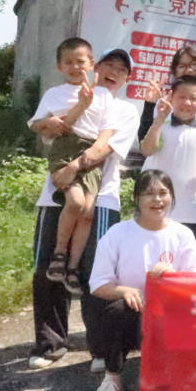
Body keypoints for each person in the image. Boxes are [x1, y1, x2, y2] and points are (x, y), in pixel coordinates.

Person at [29, 49, 139, 372]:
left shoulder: (125, 110)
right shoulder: (65, 96)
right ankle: (50, 343)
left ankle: (101, 348)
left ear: (127, 79)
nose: (113, 72)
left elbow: (103, 149)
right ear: (96, 67)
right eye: (109, 65)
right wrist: (51, 125)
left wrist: (73, 166)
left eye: (121, 69)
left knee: (96, 274)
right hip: (56, 194)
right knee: (47, 268)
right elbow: (47, 132)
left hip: (100, 199)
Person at [86, 170, 196, 391]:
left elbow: (195, 287)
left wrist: (173, 278)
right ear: (137, 198)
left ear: (172, 197)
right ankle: (112, 380)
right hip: (133, 317)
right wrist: (123, 291)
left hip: (168, 317)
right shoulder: (117, 233)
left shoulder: (183, 235)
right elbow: (98, 284)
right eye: (149, 193)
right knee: (114, 309)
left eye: (163, 193)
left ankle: (171, 375)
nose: (157, 200)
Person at [29, 38, 119, 295]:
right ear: (59, 67)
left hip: (90, 153)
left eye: (80, 61)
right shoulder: (54, 94)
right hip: (65, 148)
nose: (75, 67)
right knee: (76, 202)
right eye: (68, 62)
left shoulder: (103, 94)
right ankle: (59, 253)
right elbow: (36, 124)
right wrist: (56, 119)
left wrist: (96, 150)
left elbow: (107, 128)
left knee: (88, 212)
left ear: (92, 64)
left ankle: (72, 267)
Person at [139, 75, 196, 269]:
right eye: (181, 97)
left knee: (191, 266)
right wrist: (158, 120)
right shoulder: (162, 126)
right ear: (171, 98)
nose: (187, 103)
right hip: (160, 210)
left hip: (194, 213)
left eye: (193, 98)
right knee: (158, 263)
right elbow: (147, 150)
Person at [138, 45, 196, 141]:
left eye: (194, 64)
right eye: (182, 66)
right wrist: (150, 104)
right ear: (175, 73)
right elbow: (144, 142)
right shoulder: (163, 104)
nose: (189, 70)